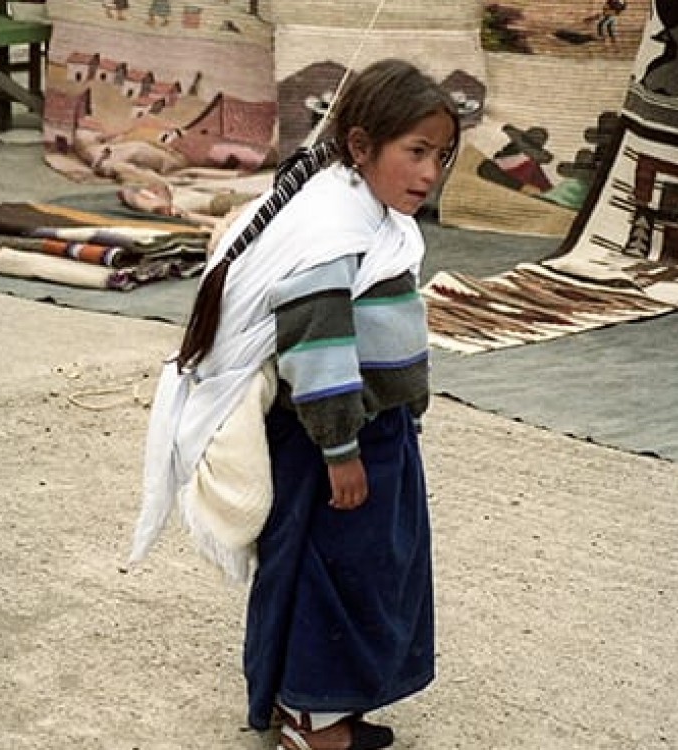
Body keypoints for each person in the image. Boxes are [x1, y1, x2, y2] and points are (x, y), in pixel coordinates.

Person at [132, 58, 460, 750]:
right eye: (417, 152)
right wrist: (341, 449)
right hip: (335, 441)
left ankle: (322, 705)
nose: (431, 173)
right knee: (337, 573)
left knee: (370, 570)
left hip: (376, 431)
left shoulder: (360, 209)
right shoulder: (332, 229)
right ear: (363, 146)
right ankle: (314, 722)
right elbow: (318, 346)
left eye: (442, 155)